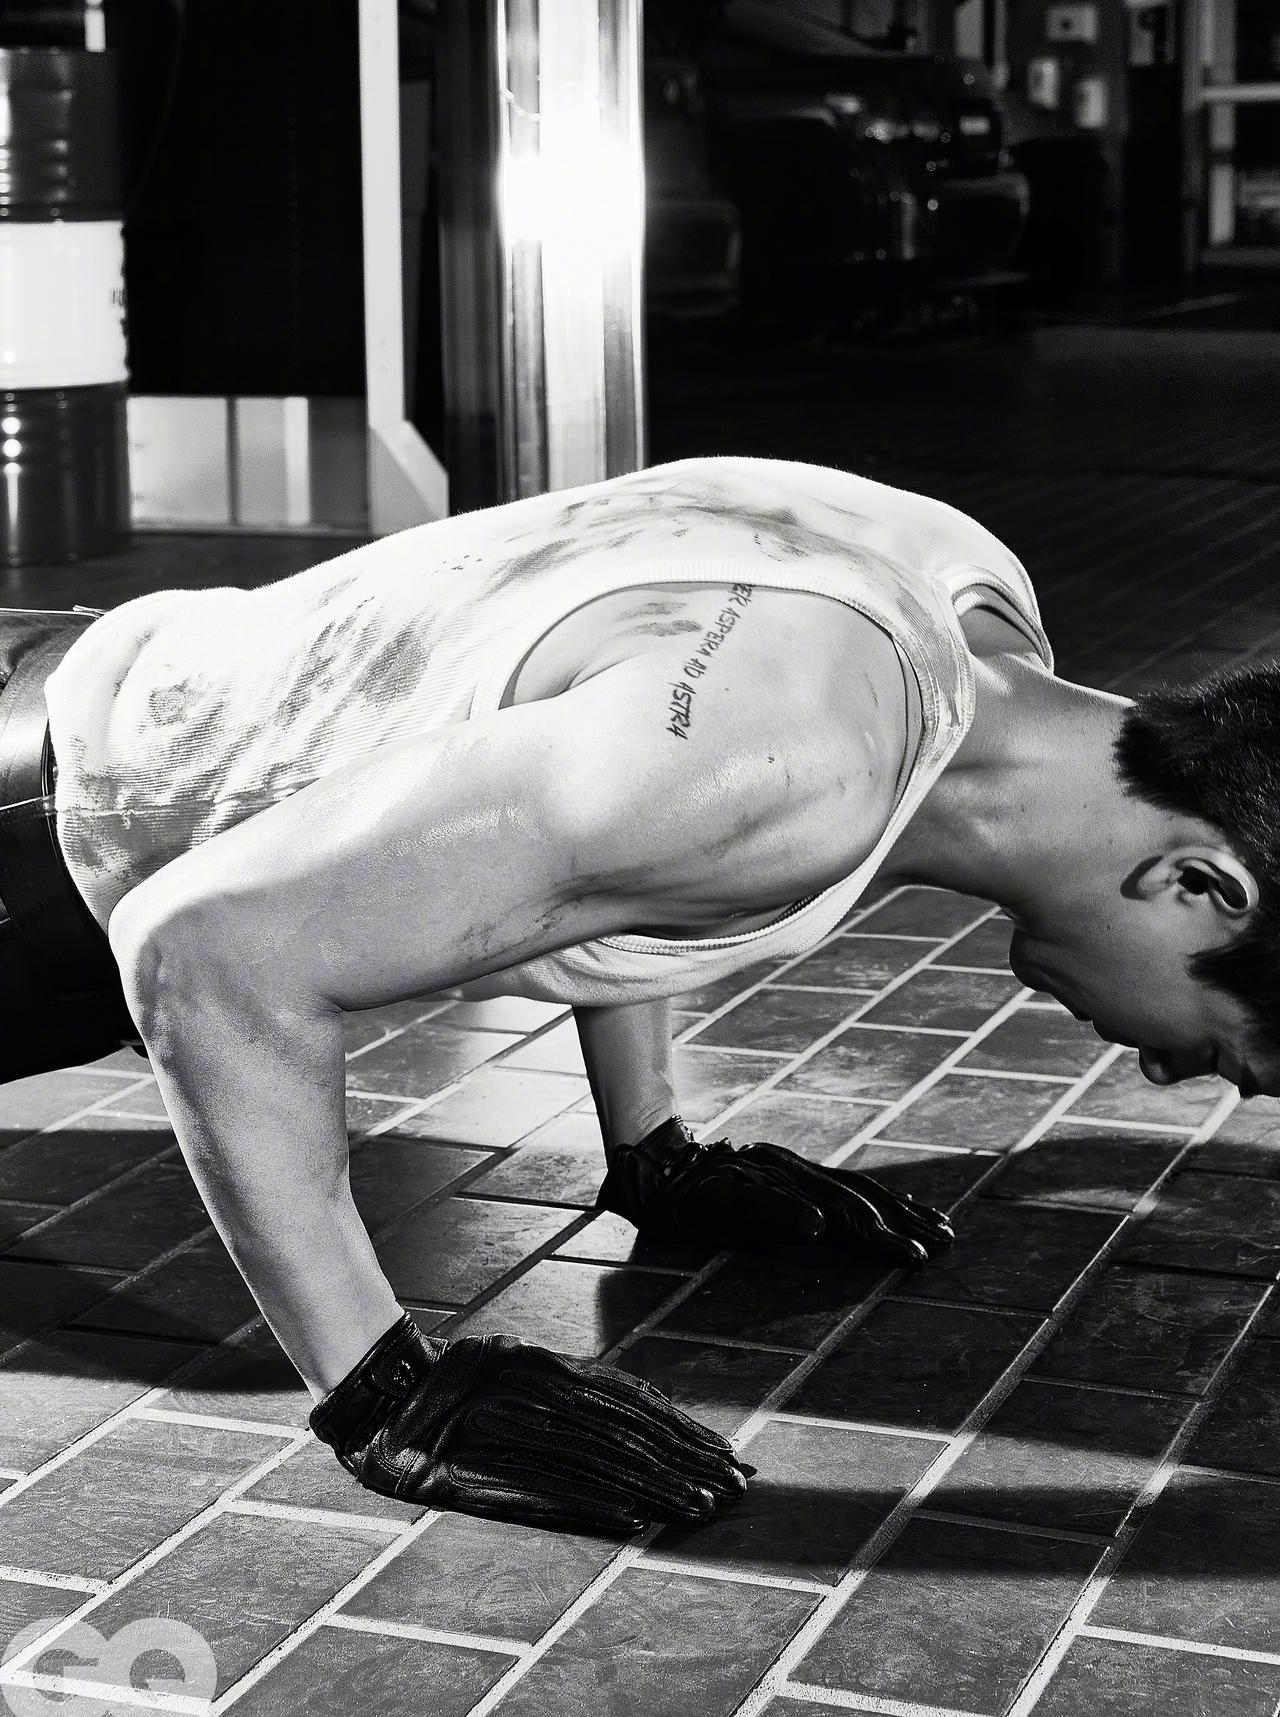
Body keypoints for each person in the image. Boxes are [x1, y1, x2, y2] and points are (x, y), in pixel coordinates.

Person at [13, 454, 1271, 1536]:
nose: (1163, 1070)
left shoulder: (954, 587)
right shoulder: (790, 765)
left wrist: (653, 1149)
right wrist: (385, 1391)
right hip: (42, 859)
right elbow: (203, 947)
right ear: (1201, 884)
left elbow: (643, 831)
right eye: (1222, 1053)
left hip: (91, 671)